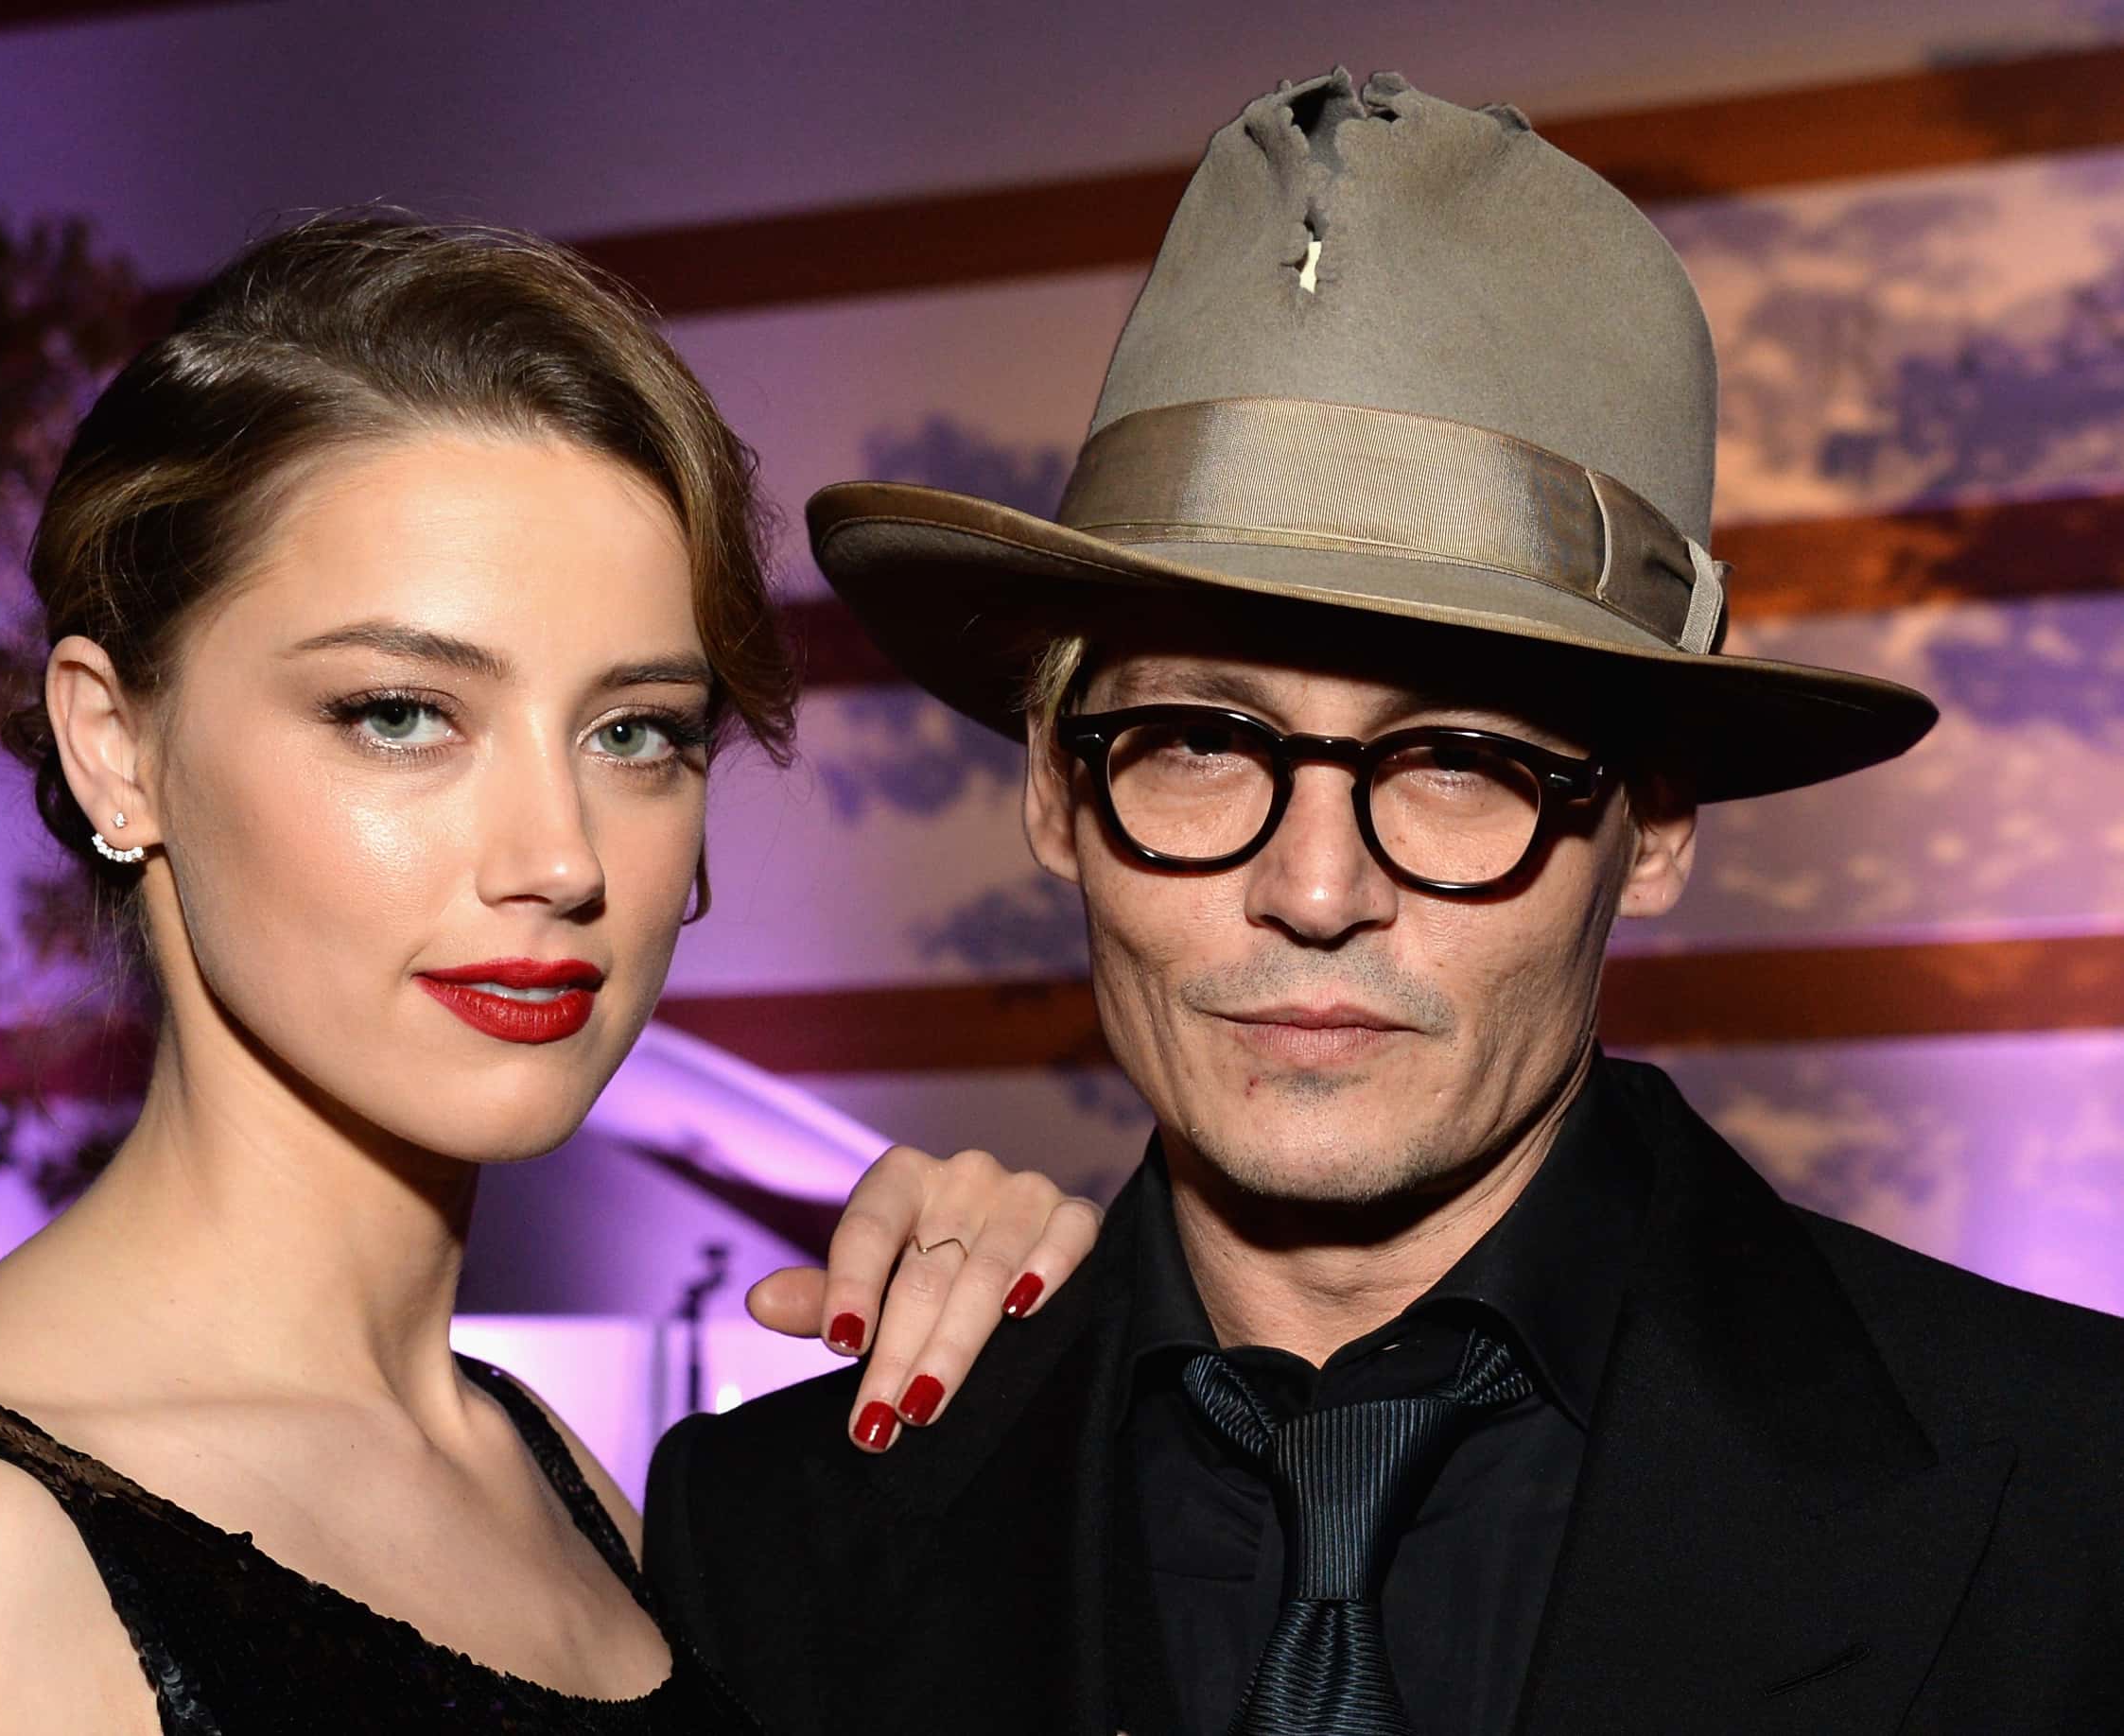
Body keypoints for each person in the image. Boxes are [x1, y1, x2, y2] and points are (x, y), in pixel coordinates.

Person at [643, 69, 2124, 1735]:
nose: (1316, 887)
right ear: (1054, 791)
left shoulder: (2078, 1503)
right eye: (1203, 742)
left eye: (1459, 760)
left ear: (1652, 826)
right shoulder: (766, 1541)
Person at [0, 217, 1104, 1736]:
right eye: (398, 714)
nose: (560, 857)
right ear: (116, 745)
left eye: (635, 732)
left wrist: (1056, 1416)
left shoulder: (545, 1471)